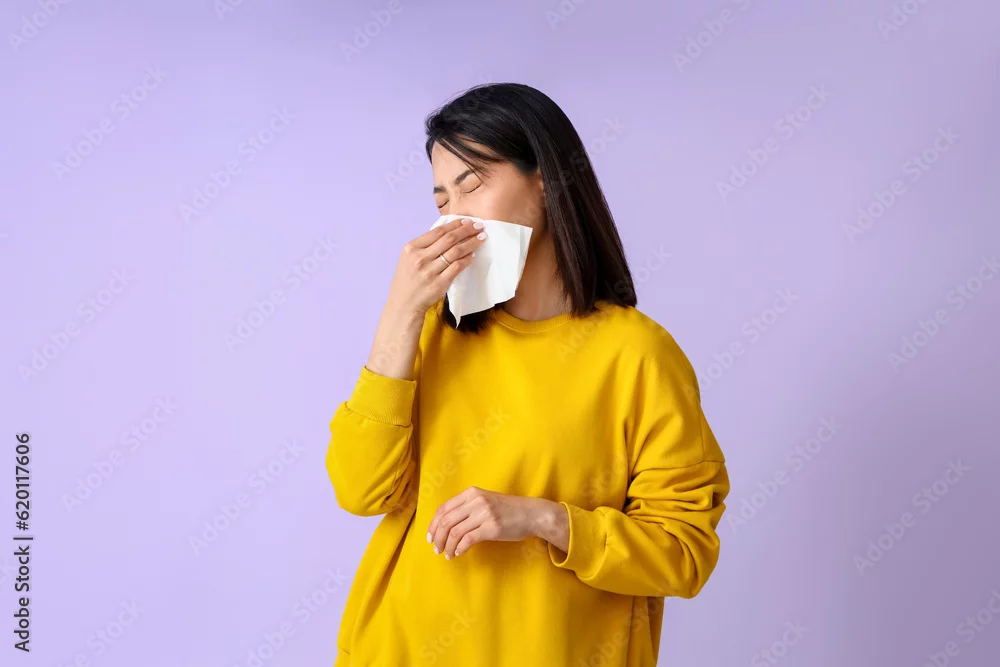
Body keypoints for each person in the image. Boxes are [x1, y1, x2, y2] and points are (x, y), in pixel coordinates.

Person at [327, 82, 730, 666]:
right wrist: (400, 314)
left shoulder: (638, 355)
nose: (456, 214)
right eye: (442, 200)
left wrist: (544, 519)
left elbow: (682, 554)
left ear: (544, 179)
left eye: (472, 184)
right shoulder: (429, 333)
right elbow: (360, 491)